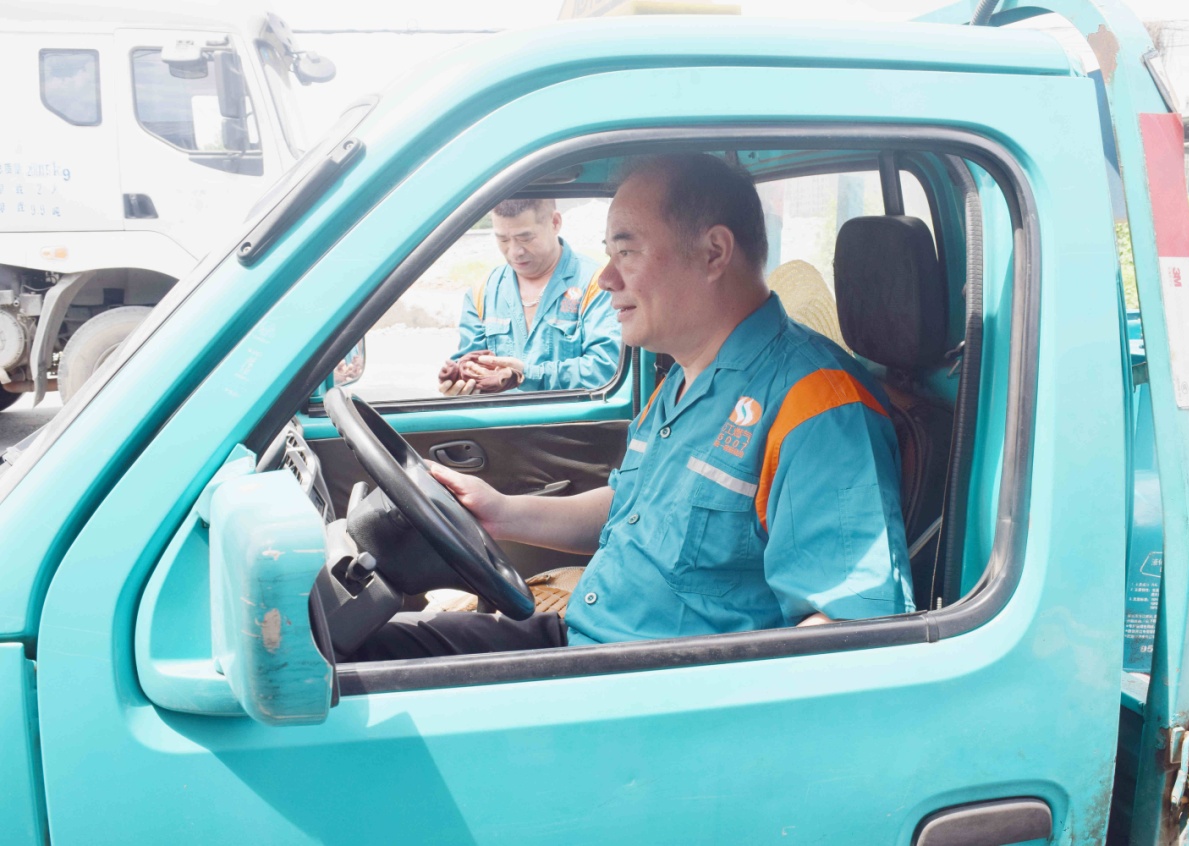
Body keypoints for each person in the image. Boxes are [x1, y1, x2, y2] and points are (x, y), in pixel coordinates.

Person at [352, 153, 913, 660]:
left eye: (627, 252)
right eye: (608, 254)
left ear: (714, 252)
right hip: (583, 639)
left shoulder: (818, 409)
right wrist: (499, 512)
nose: (606, 278)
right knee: (358, 645)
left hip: (642, 691)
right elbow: (631, 505)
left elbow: (848, 634)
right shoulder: (683, 375)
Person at [438, 198, 621, 395]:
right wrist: (459, 380)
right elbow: (469, 362)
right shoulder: (482, 292)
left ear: (555, 223)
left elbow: (605, 370)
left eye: (525, 238)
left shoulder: (598, 285)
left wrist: (527, 375)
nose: (515, 252)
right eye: (503, 240)